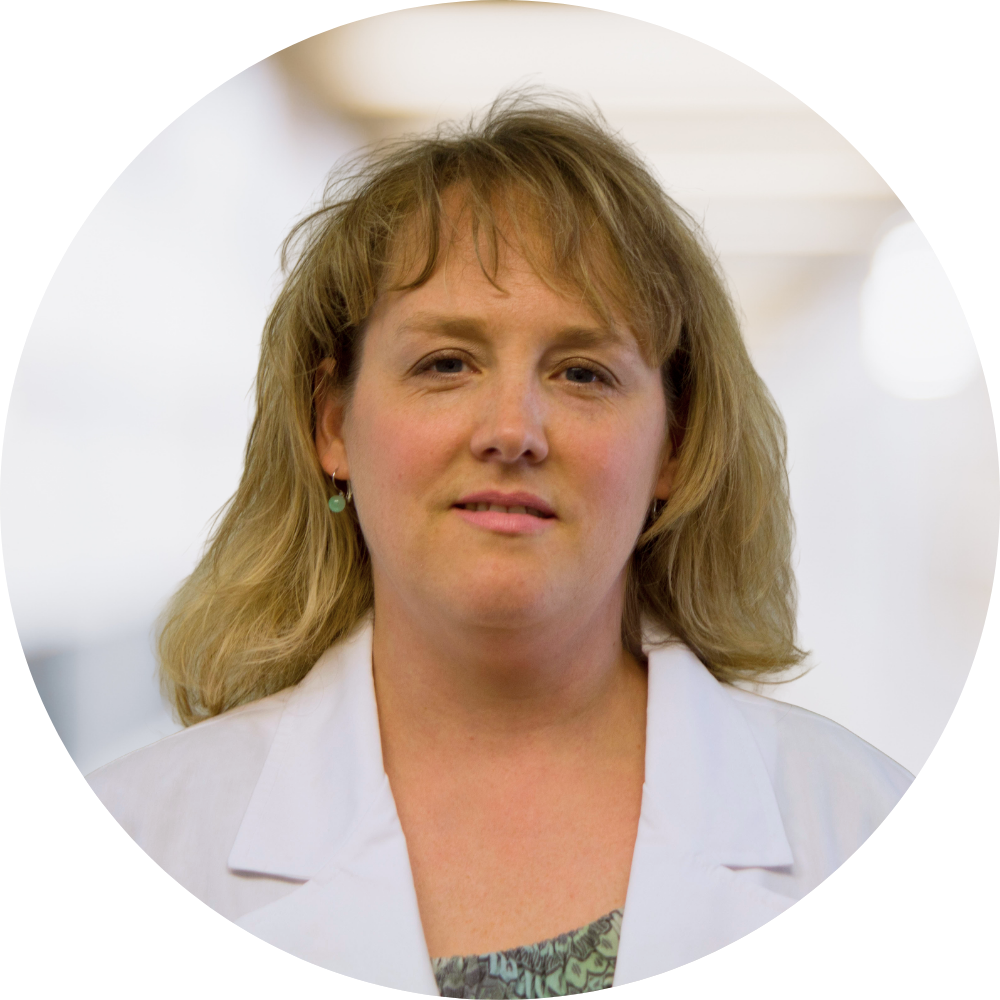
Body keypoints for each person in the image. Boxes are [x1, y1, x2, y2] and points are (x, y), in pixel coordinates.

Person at [88, 93, 913, 997]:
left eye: (582, 373)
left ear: (675, 445)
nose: (513, 431)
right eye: (446, 363)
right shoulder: (123, 846)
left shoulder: (876, 831)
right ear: (331, 425)